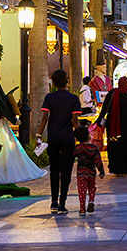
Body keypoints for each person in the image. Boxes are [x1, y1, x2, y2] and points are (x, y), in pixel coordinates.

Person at [36, 69, 81, 214]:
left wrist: (38, 134)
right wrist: (80, 134)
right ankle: (63, 202)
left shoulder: (49, 97)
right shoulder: (73, 99)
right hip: (67, 138)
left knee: (54, 170)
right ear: (67, 81)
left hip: (53, 138)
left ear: (53, 83)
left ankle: (54, 201)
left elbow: (45, 118)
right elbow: (75, 120)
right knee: (66, 171)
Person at [98, 76, 127, 175]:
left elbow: (104, 108)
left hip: (112, 125)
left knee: (114, 147)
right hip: (126, 125)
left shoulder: (112, 94)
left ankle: (116, 169)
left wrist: (99, 120)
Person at [73, 124, 105, 214]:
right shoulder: (93, 148)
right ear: (88, 136)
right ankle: (91, 201)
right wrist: (101, 171)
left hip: (81, 173)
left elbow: (71, 157)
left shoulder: (77, 149)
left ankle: (82, 209)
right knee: (91, 188)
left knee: (81, 191)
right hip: (91, 173)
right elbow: (98, 160)